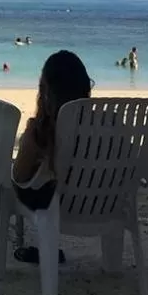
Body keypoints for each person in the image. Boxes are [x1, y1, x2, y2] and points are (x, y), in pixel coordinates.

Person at [11, 50, 93, 263]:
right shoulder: (104, 125)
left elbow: (20, 176)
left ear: (46, 91)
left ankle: (26, 246)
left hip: (55, 204)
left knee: (10, 181)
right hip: (101, 202)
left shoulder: (41, 131)